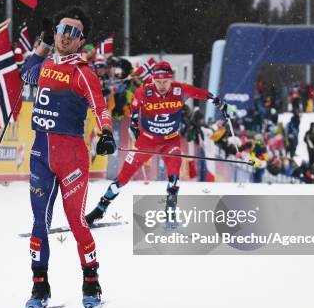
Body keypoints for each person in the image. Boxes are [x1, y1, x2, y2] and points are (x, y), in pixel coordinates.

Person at [20, 6, 115, 308]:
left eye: (73, 32)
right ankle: (39, 287)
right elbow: (26, 73)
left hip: (72, 158)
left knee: (76, 222)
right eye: (62, 29)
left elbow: (100, 107)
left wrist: (107, 133)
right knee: (39, 223)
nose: (66, 36)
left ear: (81, 41)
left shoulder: (82, 72)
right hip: (40, 155)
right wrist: (43, 43)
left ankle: (91, 281)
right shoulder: (44, 64)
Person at [85, 61, 228, 224]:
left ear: (171, 79)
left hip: (170, 142)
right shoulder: (143, 92)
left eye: (165, 82)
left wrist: (220, 103)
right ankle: (100, 209)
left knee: (174, 178)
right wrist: (133, 126)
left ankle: (171, 212)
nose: (161, 86)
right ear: (152, 80)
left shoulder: (180, 90)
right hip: (147, 142)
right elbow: (134, 108)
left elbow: (202, 93)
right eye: (157, 82)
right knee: (122, 179)